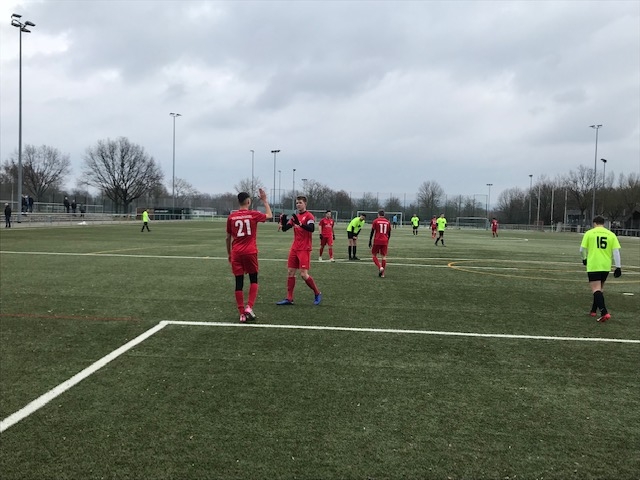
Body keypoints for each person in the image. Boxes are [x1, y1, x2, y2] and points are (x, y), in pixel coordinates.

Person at [226, 189, 272, 323]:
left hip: (236, 253)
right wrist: (264, 200)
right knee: (254, 280)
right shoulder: (253, 214)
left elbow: (228, 238)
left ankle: (241, 314)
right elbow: (269, 215)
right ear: (248, 201)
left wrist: (229, 254)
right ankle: (249, 307)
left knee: (239, 283)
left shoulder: (231, 217)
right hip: (250, 252)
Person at [277, 195, 322, 306]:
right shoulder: (295, 217)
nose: (298, 205)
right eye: (297, 203)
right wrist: (283, 221)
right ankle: (289, 298)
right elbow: (285, 229)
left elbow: (311, 229)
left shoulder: (309, 216)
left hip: (304, 248)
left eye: (300, 202)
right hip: (295, 248)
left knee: (303, 274)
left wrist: (300, 224)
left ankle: (317, 293)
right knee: (290, 272)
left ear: (305, 204)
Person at [580, 215, 622, 322]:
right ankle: (593, 311)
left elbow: (582, 249)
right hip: (605, 266)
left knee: (596, 289)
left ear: (594, 223)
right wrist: (618, 267)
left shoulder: (589, 233)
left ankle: (604, 312)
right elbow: (616, 252)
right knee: (600, 288)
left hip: (594, 265)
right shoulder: (611, 234)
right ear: (604, 223)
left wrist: (584, 259)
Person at [369, 210, 391, 278]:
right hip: (385, 240)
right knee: (384, 256)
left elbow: (372, 231)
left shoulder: (375, 221)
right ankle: (382, 274)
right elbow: (389, 233)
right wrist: (387, 240)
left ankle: (380, 267)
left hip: (377, 240)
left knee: (374, 254)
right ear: (384, 215)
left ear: (378, 214)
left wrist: (370, 240)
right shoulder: (387, 222)